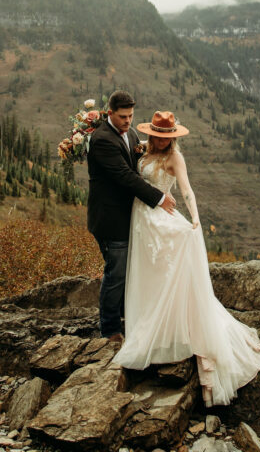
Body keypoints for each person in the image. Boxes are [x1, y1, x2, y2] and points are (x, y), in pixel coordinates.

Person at [113, 110, 260, 406]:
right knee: (146, 276)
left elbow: (186, 190)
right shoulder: (143, 150)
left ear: (171, 137)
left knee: (164, 276)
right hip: (141, 220)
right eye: (156, 135)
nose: (159, 140)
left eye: (164, 136)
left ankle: (166, 332)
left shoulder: (175, 158)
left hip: (161, 220)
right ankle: (147, 326)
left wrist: (195, 220)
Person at [87, 90, 176, 339]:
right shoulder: (102, 139)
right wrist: (159, 197)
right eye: (123, 117)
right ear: (110, 114)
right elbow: (125, 177)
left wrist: (163, 148)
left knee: (128, 271)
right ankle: (110, 329)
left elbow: (139, 160)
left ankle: (129, 317)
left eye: (131, 116)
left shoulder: (132, 133)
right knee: (116, 273)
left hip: (130, 217)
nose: (128, 121)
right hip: (110, 219)